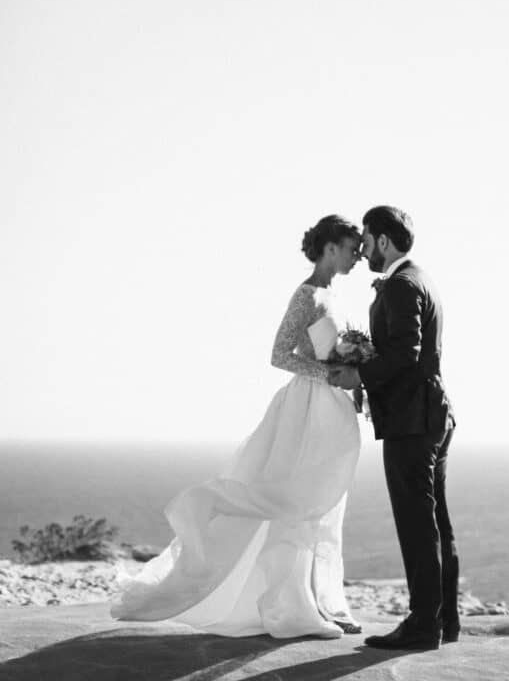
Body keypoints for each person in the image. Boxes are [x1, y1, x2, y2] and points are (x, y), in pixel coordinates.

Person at [111, 214, 363, 639]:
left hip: (329, 410)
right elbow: (280, 354)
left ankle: (325, 600)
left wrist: (350, 369)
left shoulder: (331, 295)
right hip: (305, 409)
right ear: (330, 248)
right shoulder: (306, 295)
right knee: (295, 503)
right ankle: (293, 606)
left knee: (322, 508)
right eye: (352, 249)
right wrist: (329, 373)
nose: (357, 257)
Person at [330, 205, 460, 650]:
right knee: (435, 521)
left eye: (366, 239)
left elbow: (405, 353)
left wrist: (359, 376)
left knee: (417, 523)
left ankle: (424, 625)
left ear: (383, 241)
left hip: (413, 420)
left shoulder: (402, 286)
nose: (363, 248)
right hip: (430, 415)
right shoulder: (420, 279)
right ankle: (446, 622)